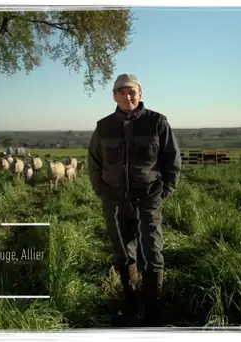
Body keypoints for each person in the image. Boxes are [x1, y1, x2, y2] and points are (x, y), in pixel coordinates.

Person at [87, 74, 182, 326]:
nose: (127, 97)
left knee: (151, 251)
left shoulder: (157, 122)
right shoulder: (104, 126)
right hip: (115, 202)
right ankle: (130, 302)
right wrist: (102, 191)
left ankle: (153, 308)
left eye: (132, 92)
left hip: (148, 200)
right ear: (114, 95)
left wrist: (163, 193)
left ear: (140, 92)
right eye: (121, 92)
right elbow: (94, 162)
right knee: (122, 252)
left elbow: (172, 161)